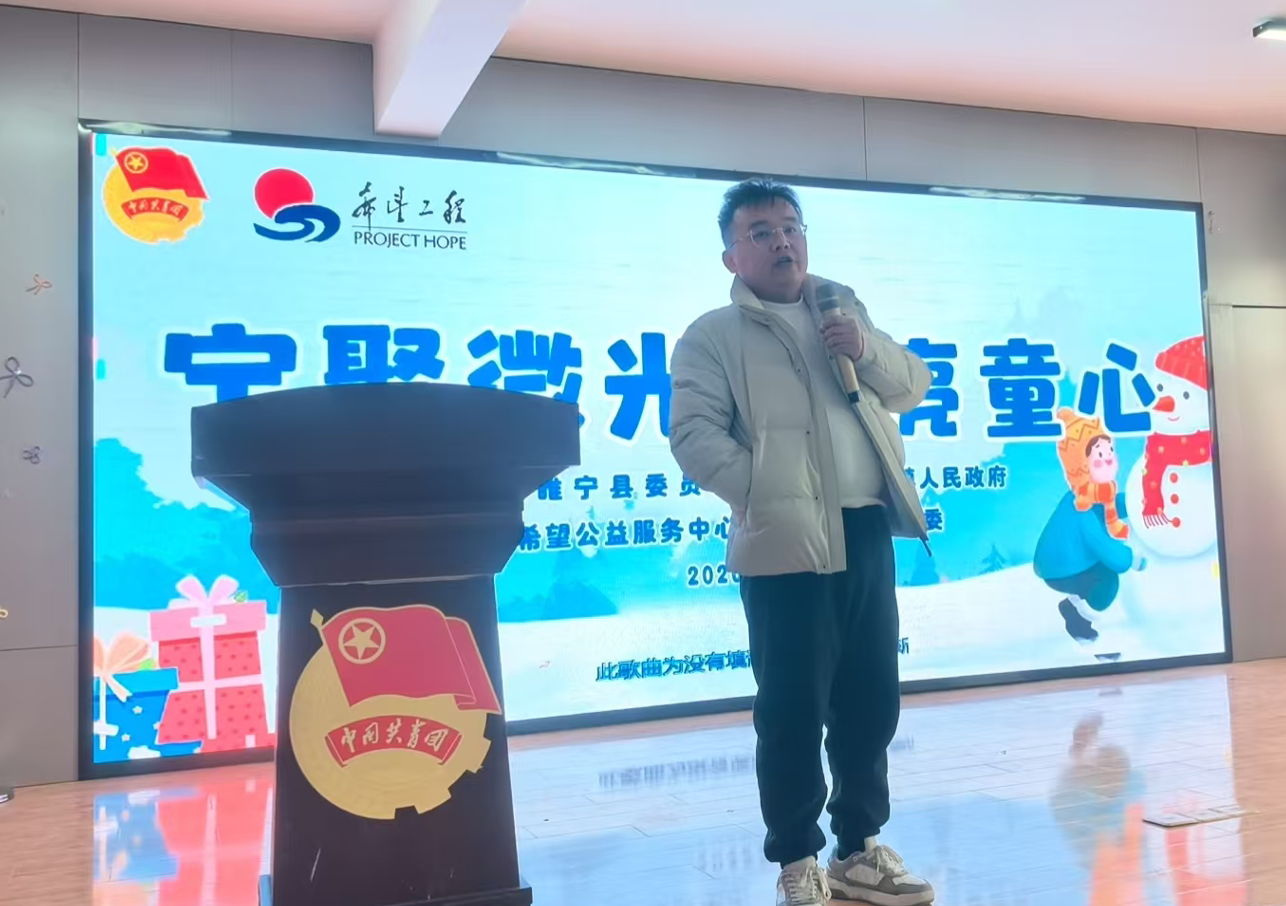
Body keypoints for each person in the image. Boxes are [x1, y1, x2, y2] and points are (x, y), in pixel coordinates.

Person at [668, 178, 936, 906]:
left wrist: (865, 348)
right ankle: (797, 859)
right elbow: (693, 437)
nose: (782, 241)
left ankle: (859, 850)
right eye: (761, 232)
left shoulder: (842, 310)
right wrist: (766, 497)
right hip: (784, 545)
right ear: (732, 256)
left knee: (871, 699)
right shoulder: (711, 337)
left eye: (791, 226)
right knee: (791, 709)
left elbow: (912, 386)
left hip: (864, 527)